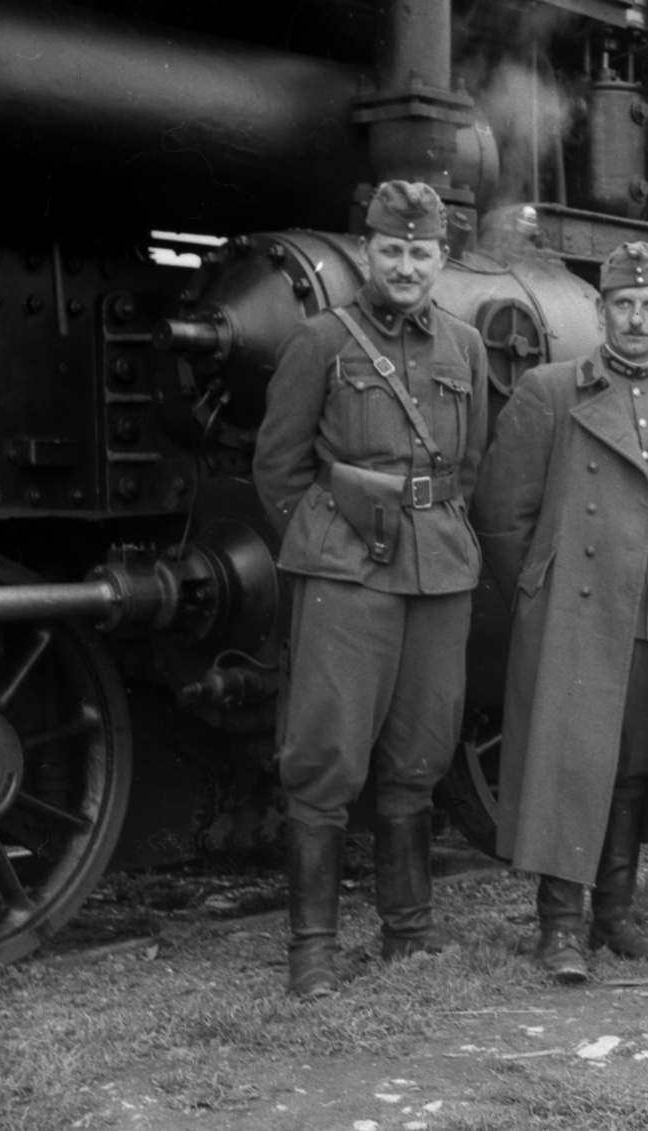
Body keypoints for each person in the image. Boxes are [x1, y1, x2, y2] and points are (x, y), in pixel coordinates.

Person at [474, 242, 648, 983]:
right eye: (623, 303)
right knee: (571, 758)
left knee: (631, 765)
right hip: (577, 612)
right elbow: (501, 514)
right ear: (599, 310)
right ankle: (558, 926)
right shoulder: (550, 391)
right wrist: (540, 595)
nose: (636, 318)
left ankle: (614, 916)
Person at [254, 180, 489, 999]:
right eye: (391, 249)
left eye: (421, 252)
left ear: (442, 258)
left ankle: (409, 931)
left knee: (420, 753)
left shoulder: (465, 346)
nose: (406, 265)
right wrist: (324, 544)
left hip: (438, 572)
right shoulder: (321, 341)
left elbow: (471, 464)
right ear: (368, 251)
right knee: (323, 757)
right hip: (346, 570)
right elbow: (278, 468)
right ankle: (312, 947)